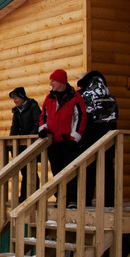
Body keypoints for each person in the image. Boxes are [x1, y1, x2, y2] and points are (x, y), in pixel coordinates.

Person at [38, 69, 87, 208]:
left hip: (69, 142)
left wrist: (74, 138)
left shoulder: (75, 97)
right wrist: (43, 129)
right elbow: (43, 116)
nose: (51, 83)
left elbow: (80, 118)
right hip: (54, 142)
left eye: (53, 80)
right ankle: (61, 198)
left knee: (70, 172)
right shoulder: (49, 98)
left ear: (61, 82)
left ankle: (71, 199)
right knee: (57, 170)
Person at [77, 71, 118, 207]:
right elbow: (116, 115)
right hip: (108, 138)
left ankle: (86, 200)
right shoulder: (109, 96)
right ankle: (109, 201)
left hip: (91, 138)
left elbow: (84, 117)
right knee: (107, 170)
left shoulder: (85, 95)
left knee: (89, 170)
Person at [8, 87, 41, 200]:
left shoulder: (33, 106)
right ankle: (24, 196)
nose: (15, 100)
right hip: (22, 144)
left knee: (32, 169)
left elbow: (38, 124)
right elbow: (14, 128)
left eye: (16, 98)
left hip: (32, 143)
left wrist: (30, 139)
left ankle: (34, 194)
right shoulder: (17, 111)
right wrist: (11, 143)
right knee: (24, 170)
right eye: (13, 98)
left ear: (22, 97)